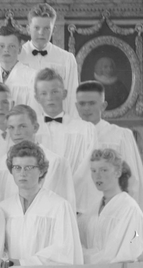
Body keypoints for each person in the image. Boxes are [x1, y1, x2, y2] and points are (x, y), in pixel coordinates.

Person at [74, 80, 143, 227]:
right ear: (76, 106)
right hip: (77, 215)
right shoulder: (70, 137)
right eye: (82, 104)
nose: (86, 108)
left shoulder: (120, 136)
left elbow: (132, 180)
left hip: (111, 214)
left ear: (103, 106)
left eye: (92, 103)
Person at [0, 142, 84, 267]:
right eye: (17, 167)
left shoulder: (59, 206)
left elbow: (64, 250)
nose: (22, 173)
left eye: (29, 167)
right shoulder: (3, 208)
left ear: (41, 170)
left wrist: (23, 263)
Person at [0, 104, 77, 207]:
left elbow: (63, 205)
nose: (16, 133)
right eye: (11, 127)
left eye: (22, 126)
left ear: (35, 127)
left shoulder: (55, 162)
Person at [33, 68, 97, 206]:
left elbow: (86, 171)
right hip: (38, 202)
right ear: (36, 97)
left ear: (64, 94)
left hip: (74, 202)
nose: (50, 97)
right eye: (44, 93)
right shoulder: (30, 130)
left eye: (55, 91)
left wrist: (66, 195)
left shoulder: (85, 130)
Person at [80, 148, 143, 264]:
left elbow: (124, 254)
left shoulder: (129, 209)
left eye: (104, 170)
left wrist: (85, 258)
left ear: (117, 172)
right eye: (93, 170)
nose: (97, 176)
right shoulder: (92, 209)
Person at [18, 3, 78, 109]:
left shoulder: (67, 59)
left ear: (53, 30)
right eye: (36, 28)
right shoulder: (15, 57)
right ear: (28, 28)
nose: (41, 33)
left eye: (46, 28)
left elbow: (72, 99)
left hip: (55, 121)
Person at [0, 24, 40, 115]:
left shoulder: (32, 77)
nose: (6, 50)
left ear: (20, 49)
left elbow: (34, 114)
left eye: (12, 46)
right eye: (1, 46)